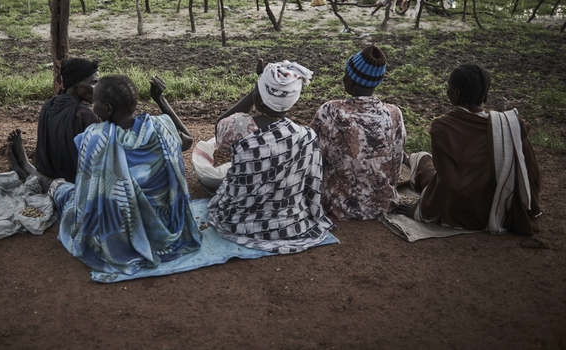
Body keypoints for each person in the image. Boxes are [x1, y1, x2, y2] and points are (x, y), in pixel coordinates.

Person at [8, 74, 202, 275]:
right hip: (163, 225)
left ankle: (30, 171)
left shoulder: (96, 137)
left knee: (67, 192)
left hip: (120, 228)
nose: (92, 106)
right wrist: (160, 100)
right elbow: (187, 140)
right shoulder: (160, 127)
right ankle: (28, 170)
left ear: (107, 109)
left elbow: (86, 192)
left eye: (95, 102)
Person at [208, 60, 334, 253]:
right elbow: (311, 185)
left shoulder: (237, 127)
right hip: (291, 224)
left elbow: (220, 129)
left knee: (227, 184)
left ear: (258, 96)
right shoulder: (306, 136)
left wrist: (256, 89)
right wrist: (262, 88)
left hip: (238, 222)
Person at [406, 63, 541, 234]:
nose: (447, 91)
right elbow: (532, 172)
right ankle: (411, 161)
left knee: (424, 161)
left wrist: (419, 209)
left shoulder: (443, 126)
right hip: (501, 205)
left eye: (449, 87)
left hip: (464, 211)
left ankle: (411, 160)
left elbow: (447, 183)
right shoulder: (509, 126)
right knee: (425, 165)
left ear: (456, 93)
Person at [309, 45, 406, 220]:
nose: (344, 77)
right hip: (383, 205)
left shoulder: (331, 111)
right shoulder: (394, 113)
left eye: (346, 73)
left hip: (339, 207)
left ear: (351, 80)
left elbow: (310, 158)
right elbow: (395, 165)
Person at [34, 58, 100, 183]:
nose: (97, 88)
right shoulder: (85, 115)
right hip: (76, 183)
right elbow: (95, 160)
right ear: (76, 83)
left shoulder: (48, 105)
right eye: (93, 83)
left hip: (47, 177)